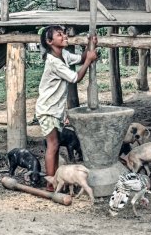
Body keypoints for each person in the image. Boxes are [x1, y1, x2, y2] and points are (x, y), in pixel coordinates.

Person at [35, 25, 98, 191]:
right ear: (50, 42)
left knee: (54, 146)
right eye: (59, 35)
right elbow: (75, 77)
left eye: (63, 33)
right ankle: (50, 183)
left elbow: (81, 58)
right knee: (53, 145)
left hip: (55, 110)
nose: (64, 36)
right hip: (47, 110)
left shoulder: (63, 54)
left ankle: (55, 179)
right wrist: (89, 60)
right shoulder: (53, 62)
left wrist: (90, 47)